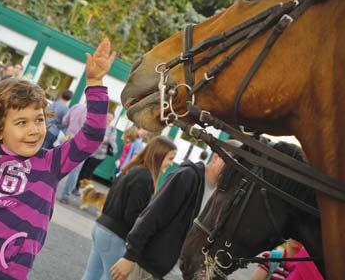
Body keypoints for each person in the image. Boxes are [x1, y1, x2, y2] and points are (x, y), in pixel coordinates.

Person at [0, 38, 116, 280]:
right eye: (21, 123)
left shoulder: (51, 163)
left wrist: (96, 83)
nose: (34, 129)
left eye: (38, 119)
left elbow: (92, 135)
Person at [109, 150, 229, 280]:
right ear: (216, 157)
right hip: (150, 267)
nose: (232, 172)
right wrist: (130, 256)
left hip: (178, 273)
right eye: (230, 164)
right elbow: (152, 215)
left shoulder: (222, 195)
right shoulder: (188, 176)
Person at [81, 136, 177, 280]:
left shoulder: (133, 169)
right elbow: (133, 216)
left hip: (101, 228)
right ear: (158, 155)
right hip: (115, 236)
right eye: (170, 158)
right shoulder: (144, 178)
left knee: (90, 276)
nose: (171, 163)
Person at [73, 111, 118, 195]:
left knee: (88, 173)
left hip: (100, 156)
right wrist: (103, 138)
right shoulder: (98, 125)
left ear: (112, 120)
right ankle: (77, 188)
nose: (108, 119)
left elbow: (111, 141)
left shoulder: (112, 130)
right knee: (82, 170)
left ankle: (84, 191)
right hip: (88, 152)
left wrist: (105, 139)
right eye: (107, 117)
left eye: (110, 118)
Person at [57, 101, 88, 203]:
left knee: (58, 165)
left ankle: (45, 188)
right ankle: (65, 196)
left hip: (68, 139)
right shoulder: (92, 113)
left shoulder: (76, 106)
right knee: (74, 171)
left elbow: (64, 121)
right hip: (81, 145)